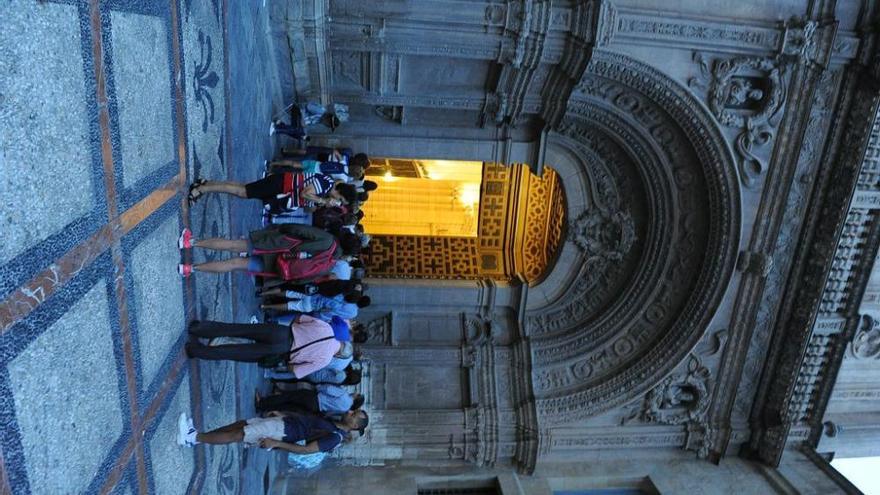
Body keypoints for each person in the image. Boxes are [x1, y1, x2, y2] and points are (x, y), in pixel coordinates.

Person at [184, 314, 340, 378]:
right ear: (338, 355)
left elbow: (299, 318)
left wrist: (293, 330)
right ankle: (196, 350)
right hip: (282, 351)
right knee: (236, 353)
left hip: (280, 331)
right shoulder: (325, 359)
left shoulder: (327, 328)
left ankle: (199, 328)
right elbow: (296, 371)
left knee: (238, 329)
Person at [176, 223, 339, 278]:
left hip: (274, 245)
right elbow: (302, 278)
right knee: (234, 264)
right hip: (278, 266)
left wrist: (279, 229)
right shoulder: (329, 265)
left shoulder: (328, 240)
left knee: (232, 245)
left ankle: (189, 242)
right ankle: (189, 268)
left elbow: (298, 230)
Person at [177, 409, 368, 454]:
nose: (350, 412)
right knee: (240, 425)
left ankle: (191, 437)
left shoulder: (335, 438)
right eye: (353, 410)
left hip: (282, 432)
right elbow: (308, 420)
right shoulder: (334, 421)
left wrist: (276, 443)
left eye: (354, 415)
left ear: (355, 426)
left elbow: (307, 450)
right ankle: (197, 437)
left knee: (239, 435)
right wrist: (282, 414)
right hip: (283, 422)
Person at [187, 173, 356, 210]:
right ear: (340, 193)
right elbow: (305, 193)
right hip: (280, 185)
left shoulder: (327, 182)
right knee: (242, 192)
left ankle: (207, 183)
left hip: (281, 184)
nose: (337, 201)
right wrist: (323, 202)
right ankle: (201, 189)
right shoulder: (325, 186)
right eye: (340, 199)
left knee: (242, 187)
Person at [255, 385, 364, 416]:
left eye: (357, 394)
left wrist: (318, 387)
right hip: (316, 408)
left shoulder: (344, 395)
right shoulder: (345, 409)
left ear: (356, 397)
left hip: (314, 398)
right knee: (288, 406)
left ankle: (262, 403)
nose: (355, 392)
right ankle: (265, 408)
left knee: (287, 397)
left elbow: (328, 389)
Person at [261, 293, 370, 320]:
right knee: (293, 311)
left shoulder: (349, 300)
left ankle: (270, 298)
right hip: (321, 315)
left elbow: (332, 301)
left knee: (291, 295)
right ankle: (271, 315)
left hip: (317, 300)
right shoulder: (353, 314)